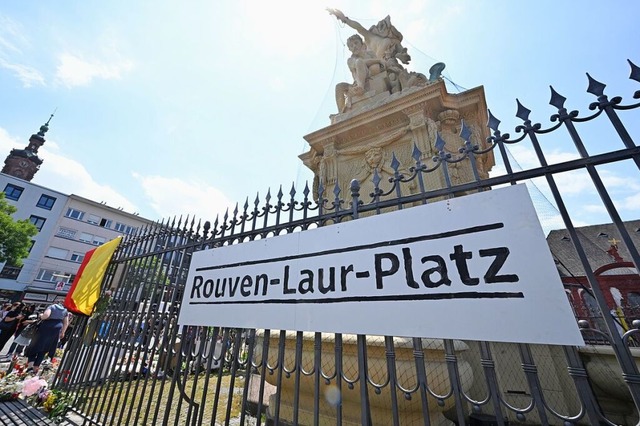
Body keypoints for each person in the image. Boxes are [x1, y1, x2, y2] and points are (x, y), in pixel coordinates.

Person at [25, 302, 69, 374]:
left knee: (35, 345)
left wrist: (40, 316)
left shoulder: (52, 307)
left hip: (46, 326)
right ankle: (36, 367)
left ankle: (30, 367)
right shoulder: (65, 310)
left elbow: (46, 315)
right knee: (45, 348)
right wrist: (63, 332)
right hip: (57, 328)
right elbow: (66, 323)